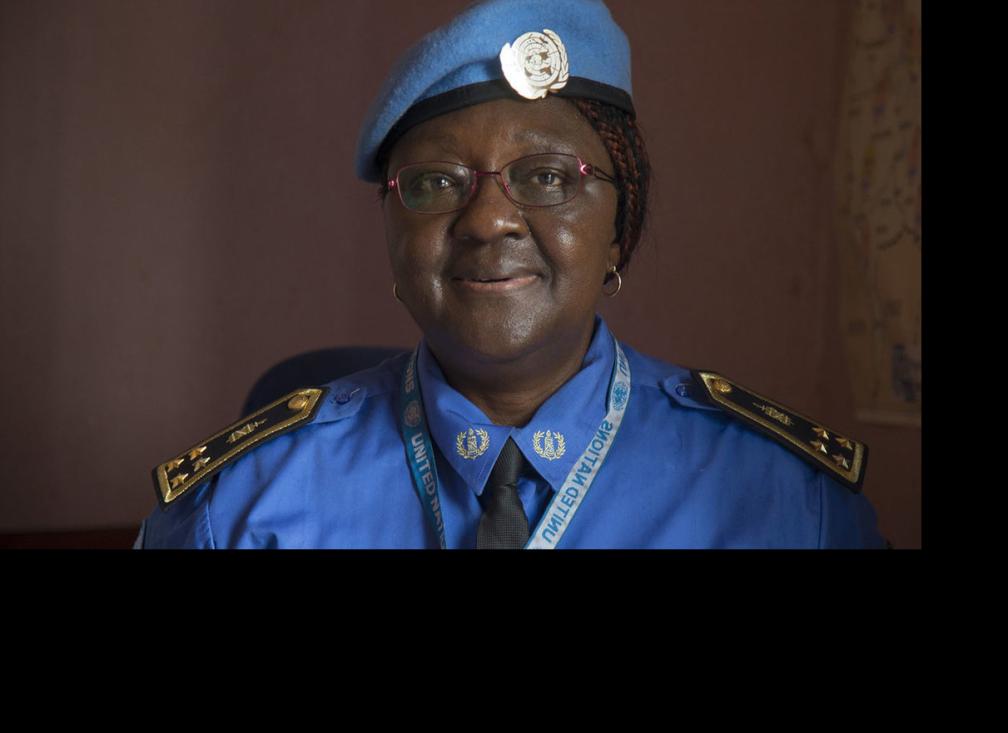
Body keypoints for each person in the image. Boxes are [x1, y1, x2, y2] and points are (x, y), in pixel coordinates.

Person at [137, 0, 883, 549]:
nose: (489, 220)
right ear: (392, 233)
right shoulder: (236, 508)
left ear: (618, 229)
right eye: (435, 182)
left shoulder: (793, 505)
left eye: (547, 176)